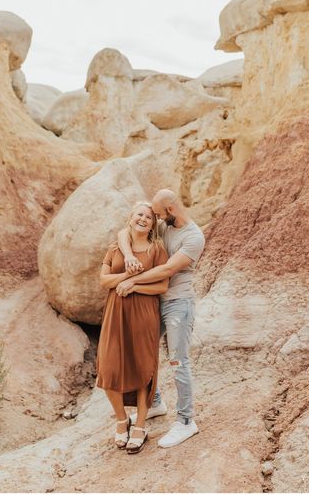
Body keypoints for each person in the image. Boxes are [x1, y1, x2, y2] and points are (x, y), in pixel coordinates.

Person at [116, 189, 205, 448]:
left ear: (171, 211)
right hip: (154, 302)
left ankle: (187, 422)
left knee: (178, 360)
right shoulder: (165, 225)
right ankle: (155, 403)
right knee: (142, 352)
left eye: (157, 213)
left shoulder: (193, 237)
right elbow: (126, 232)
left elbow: (166, 270)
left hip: (178, 303)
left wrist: (131, 281)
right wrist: (130, 257)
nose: (154, 218)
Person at [96, 201, 169, 454]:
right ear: (130, 218)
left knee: (142, 368)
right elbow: (104, 280)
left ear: (153, 225)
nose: (144, 219)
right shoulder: (116, 247)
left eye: (149, 217)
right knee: (108, 368)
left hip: (144, 313)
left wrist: (135, 284)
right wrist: (128, 274)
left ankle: (139, 426)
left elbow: (162, 287)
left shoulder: (156, 250)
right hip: (115, 312)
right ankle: (121, 419)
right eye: (140, 214)